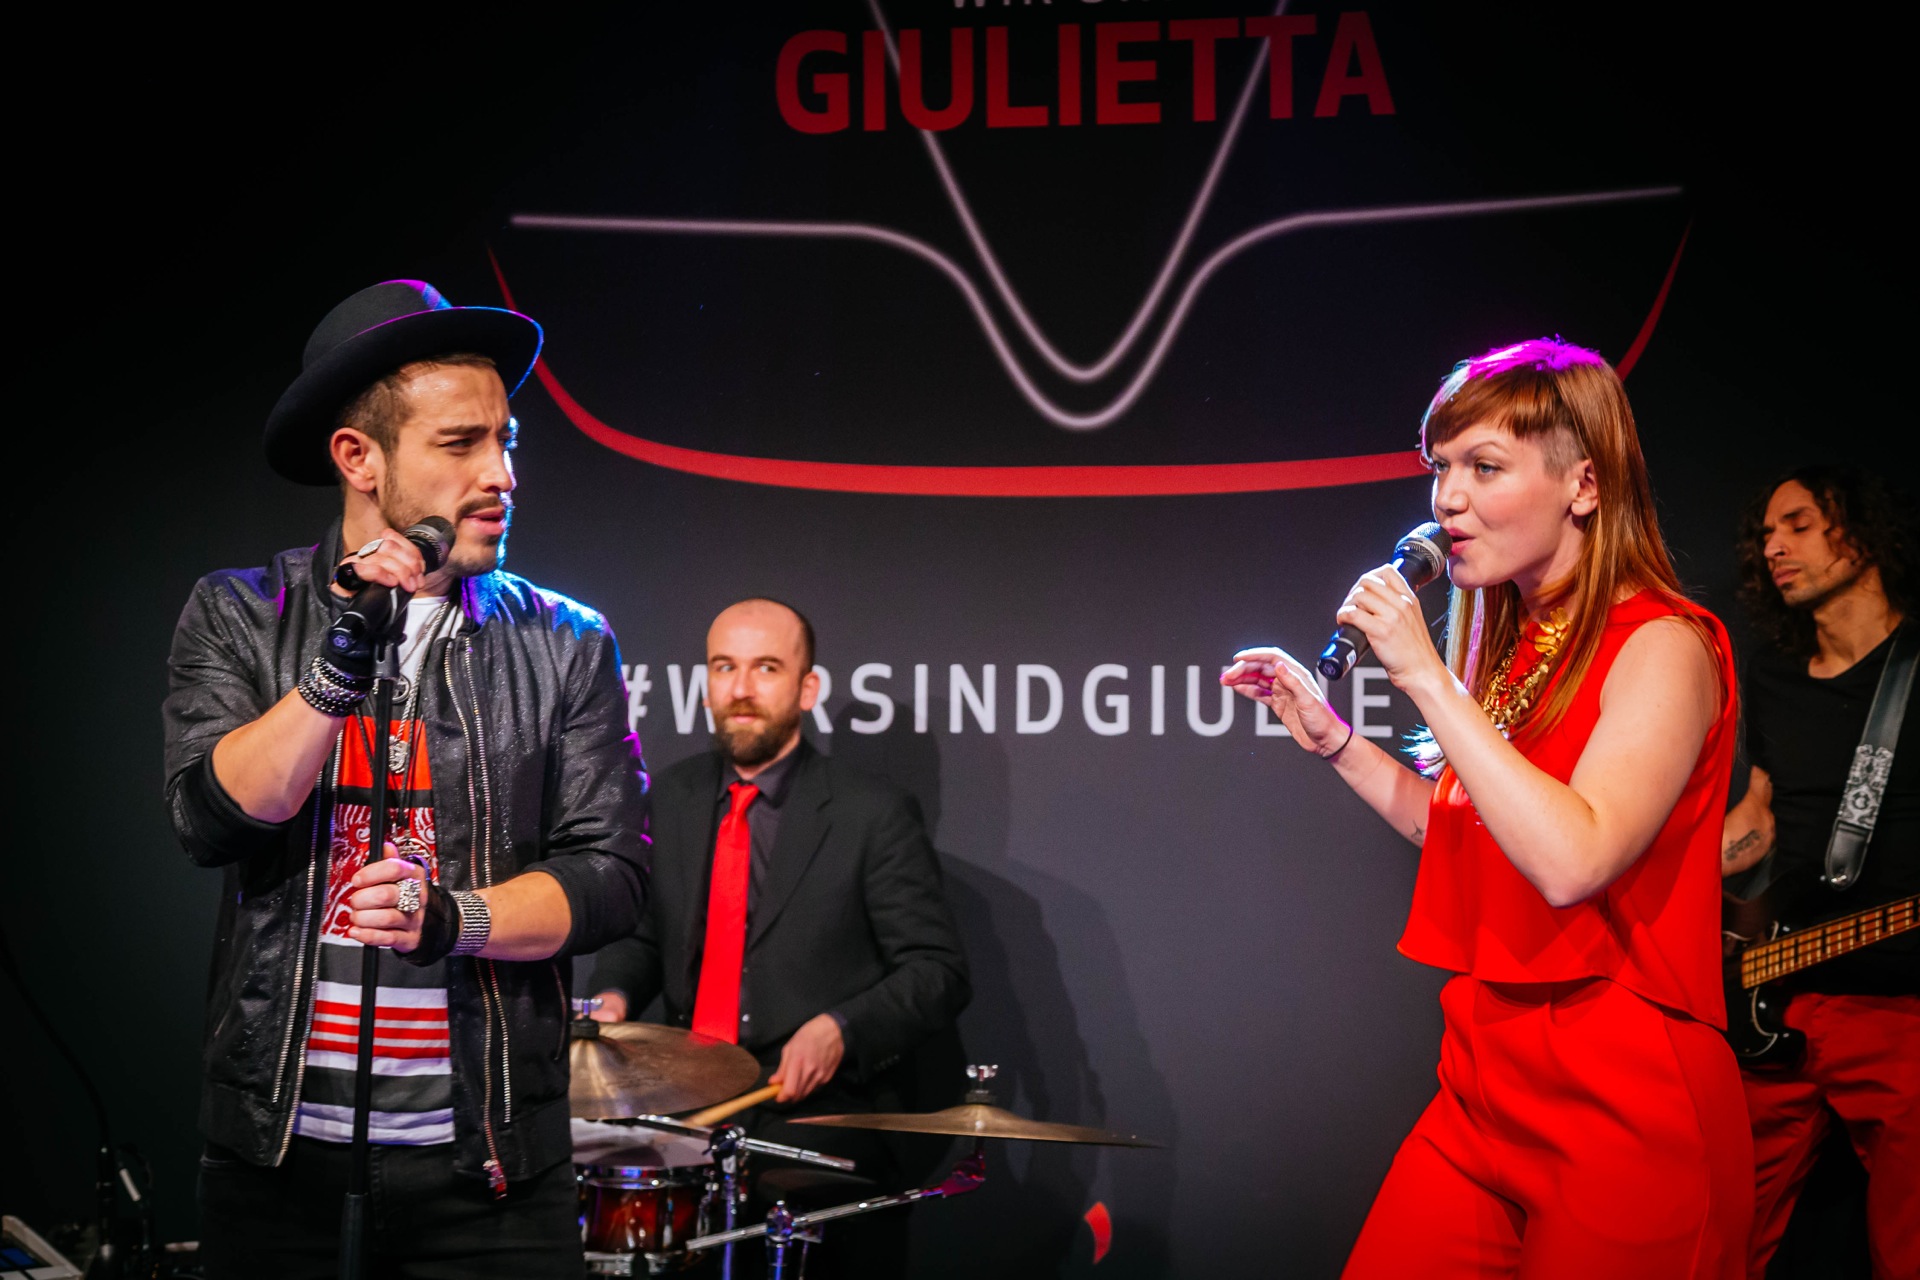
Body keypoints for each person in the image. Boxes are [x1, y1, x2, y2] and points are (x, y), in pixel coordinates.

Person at [1222, 339, 1751, 1278]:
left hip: (1625, 1098)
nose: (1448, 500)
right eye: (1441, 469)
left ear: (1584, 485)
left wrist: (1426, 678)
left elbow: (1573, 860)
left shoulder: (1665, 645)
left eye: (1485, 468)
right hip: (1483, 1080)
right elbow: (1467, 832)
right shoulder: (1517, 647)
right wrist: (1336, 739)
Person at [162, 280, 650, 1279]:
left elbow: (612, 878)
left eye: (506, 441)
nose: (502, 473)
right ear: (360, 458)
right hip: (277, 1161)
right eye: (461, 443)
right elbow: (216, 819)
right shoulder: (240, 613)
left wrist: (451, 919)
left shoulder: (564, 640)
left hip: (491, 1173)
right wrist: (339, 662)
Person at [588, 597, 970, 1275]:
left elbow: (937, 970)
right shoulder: (666, 797)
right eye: (724, 667)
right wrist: (613, 999)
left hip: (818, 1113)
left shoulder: (872, 813)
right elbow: (642, 936)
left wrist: (841, 1029)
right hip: (685, 1100)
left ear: (807, 688)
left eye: (766, 668)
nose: (741, 689)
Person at [1720, 466, 1917, 1280]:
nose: (1774, 547)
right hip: (1777, 994)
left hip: (1900, 1004)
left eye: (1798, 525)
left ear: (1859, 533)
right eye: (1766, 533)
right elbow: (1760, 816)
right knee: (1716, 1230)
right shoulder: (1772, 674)